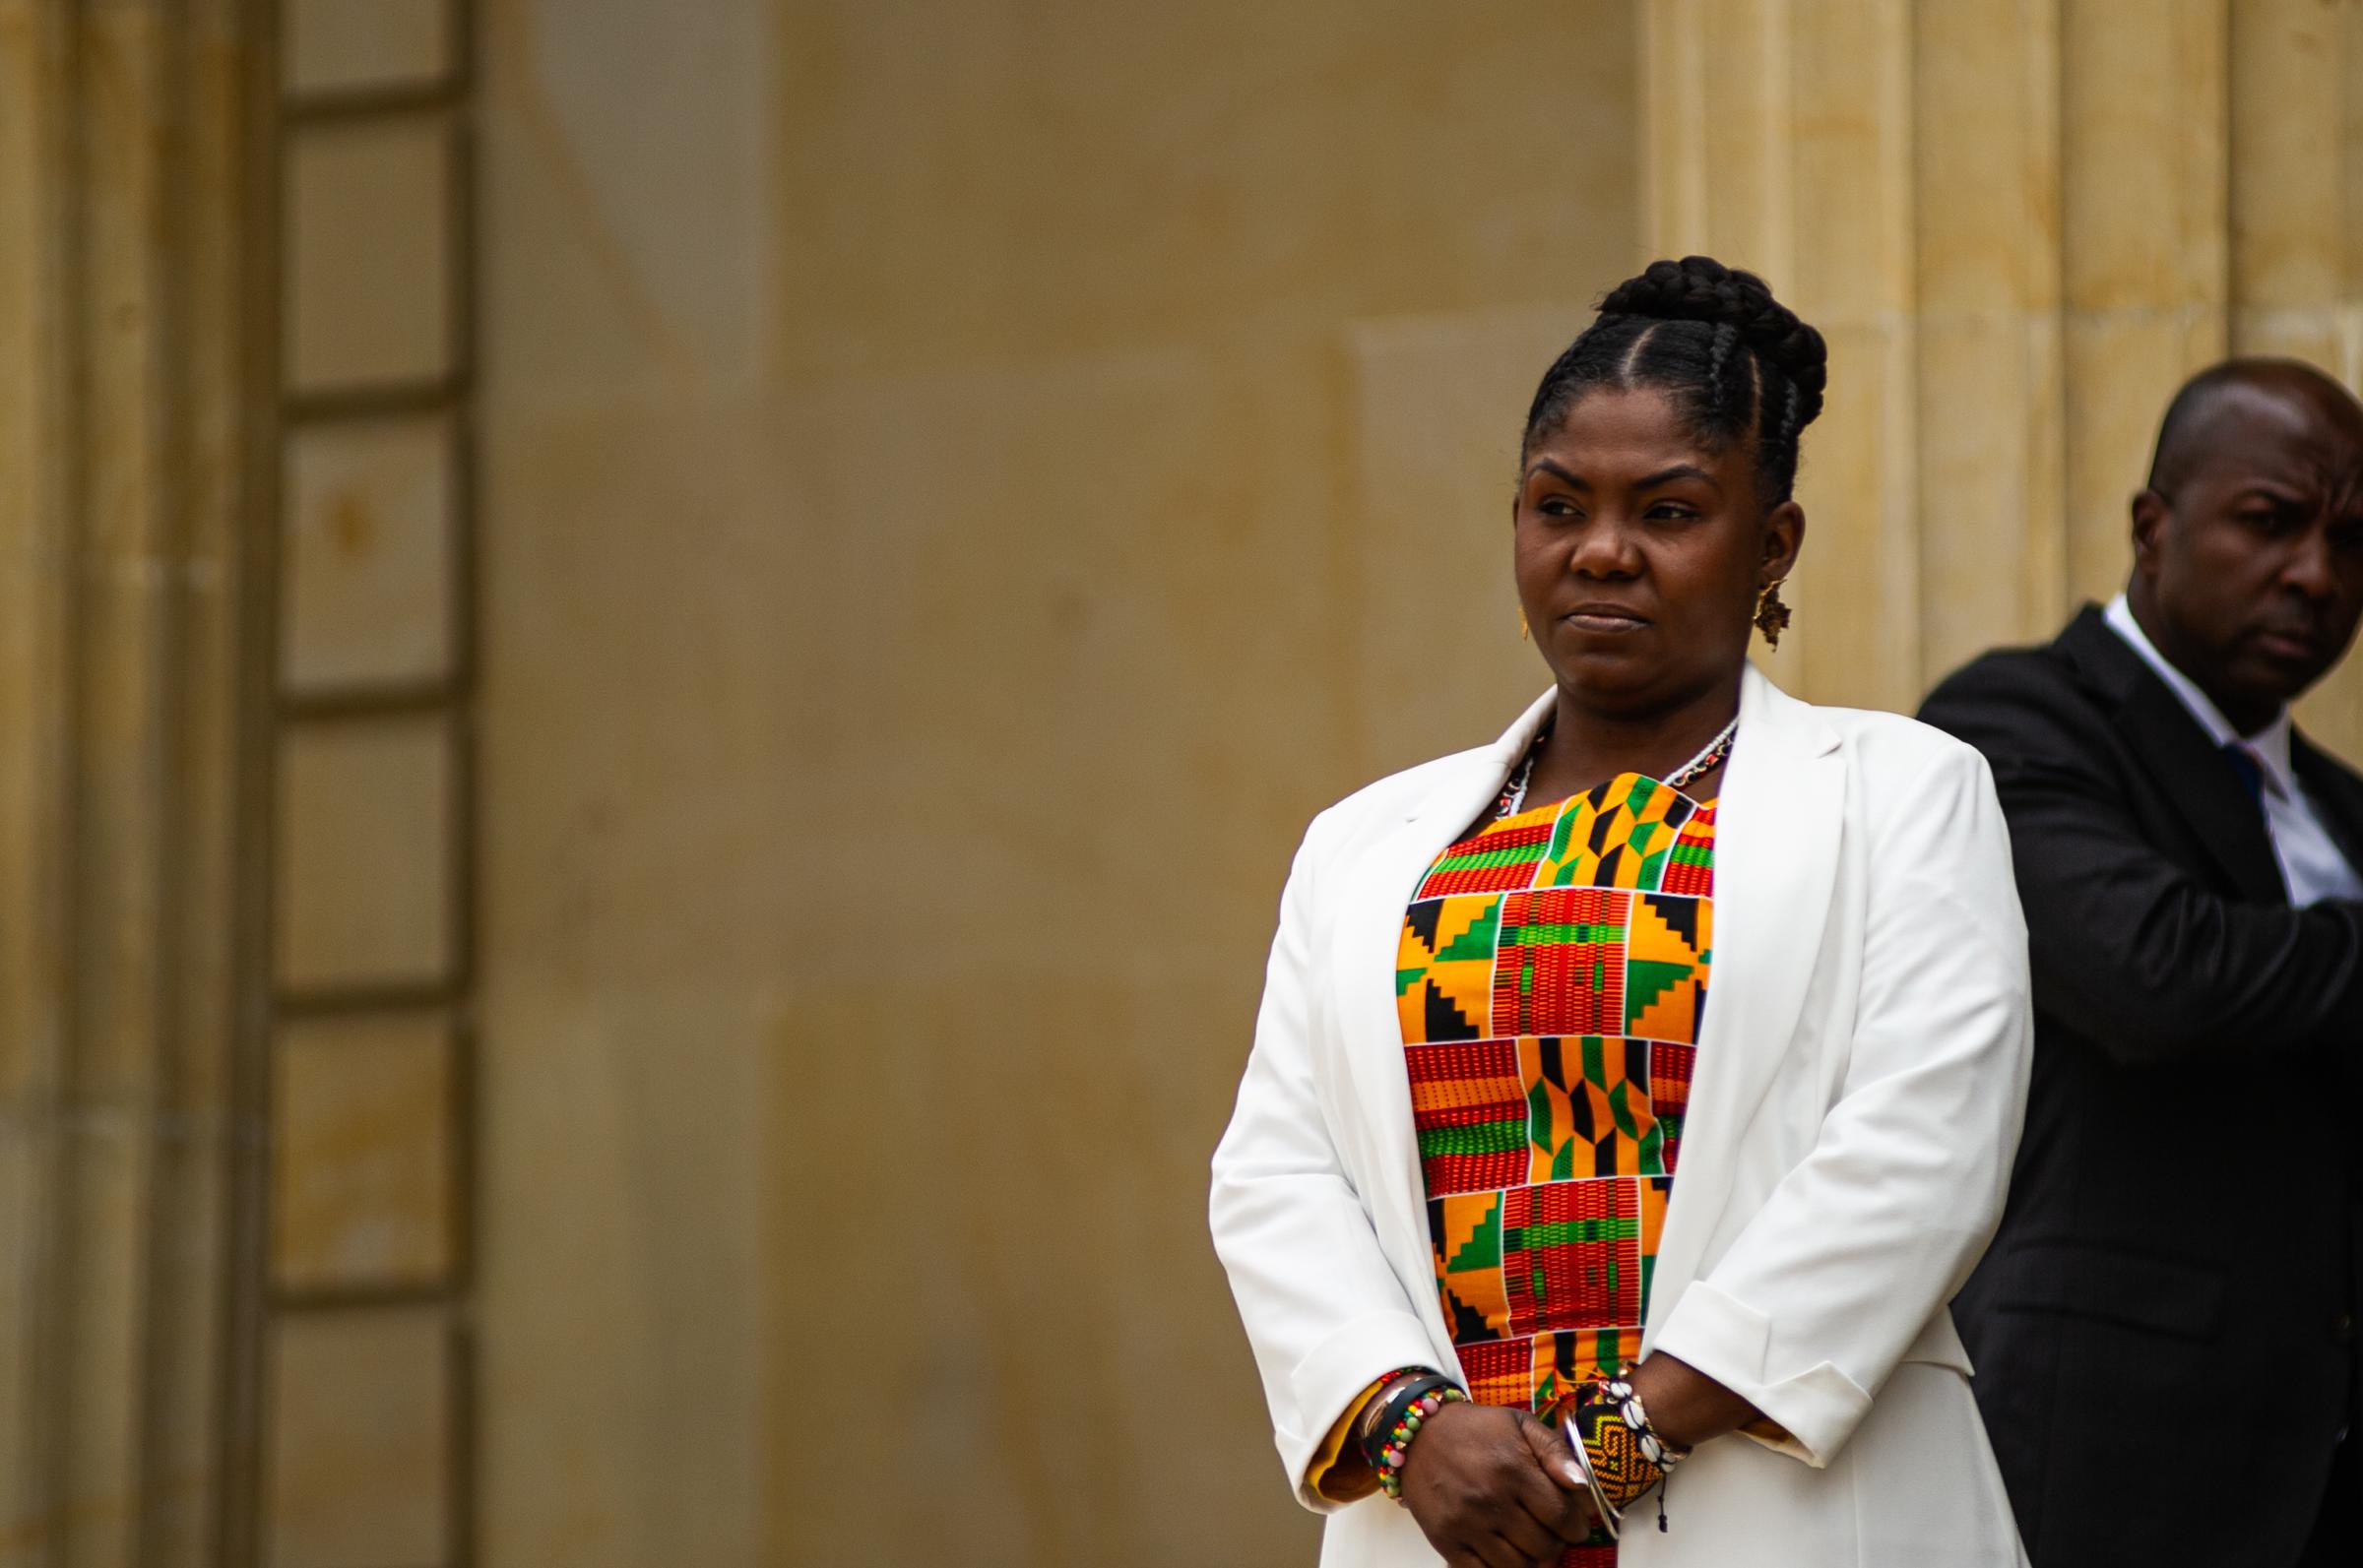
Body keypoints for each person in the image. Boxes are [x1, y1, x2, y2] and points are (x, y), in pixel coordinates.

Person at [1211, 255, 2033, 1568]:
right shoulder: (1365, 845)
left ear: (1772, 545)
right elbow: (1277, 1174)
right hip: (1454, 1522)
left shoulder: (1904, 794)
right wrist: (1413, 1430)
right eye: (1558, 505)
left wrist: (1617, 1444)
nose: (1603, 549)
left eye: (1669, 510)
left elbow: (1922, 1154)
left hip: (1793, 1513)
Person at [1919, 358, 2363, 1568]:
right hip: (2111, 1454)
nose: (2316, 577)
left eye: (2351, 541)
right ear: (2152, 529)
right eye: (2270, 523)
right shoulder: (2011, 726)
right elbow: (2157, 978)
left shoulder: (2341, 810)